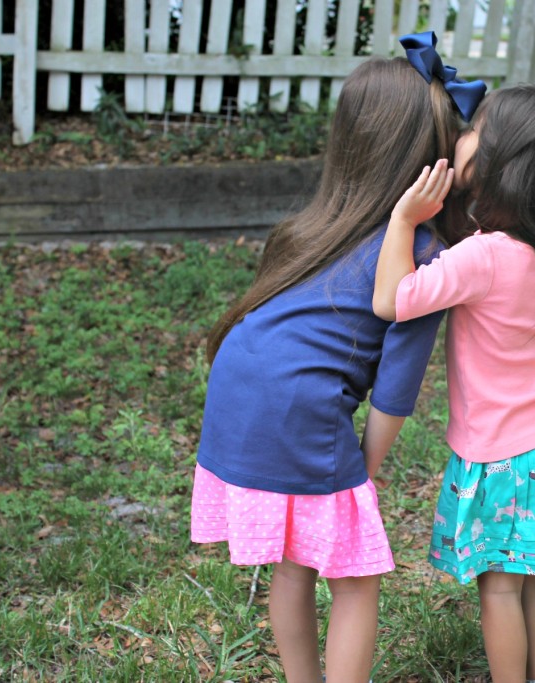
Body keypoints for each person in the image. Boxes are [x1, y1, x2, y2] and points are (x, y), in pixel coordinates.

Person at [190, 44, 485, 683]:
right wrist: (362, 478)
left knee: (293, 565)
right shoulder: (425, 253)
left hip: (238, 392)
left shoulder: (318, 225)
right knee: (354, 578)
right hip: (299, 408)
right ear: (431, 165)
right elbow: (395, 392)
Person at [373, 84, 535, 683]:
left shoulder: (484, 258)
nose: (462, 137)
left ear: (501, 164)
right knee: (528, 578)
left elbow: (392, 299)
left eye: (474, 131)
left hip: (502, 459)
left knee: (497, 590)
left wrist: (402, 218)